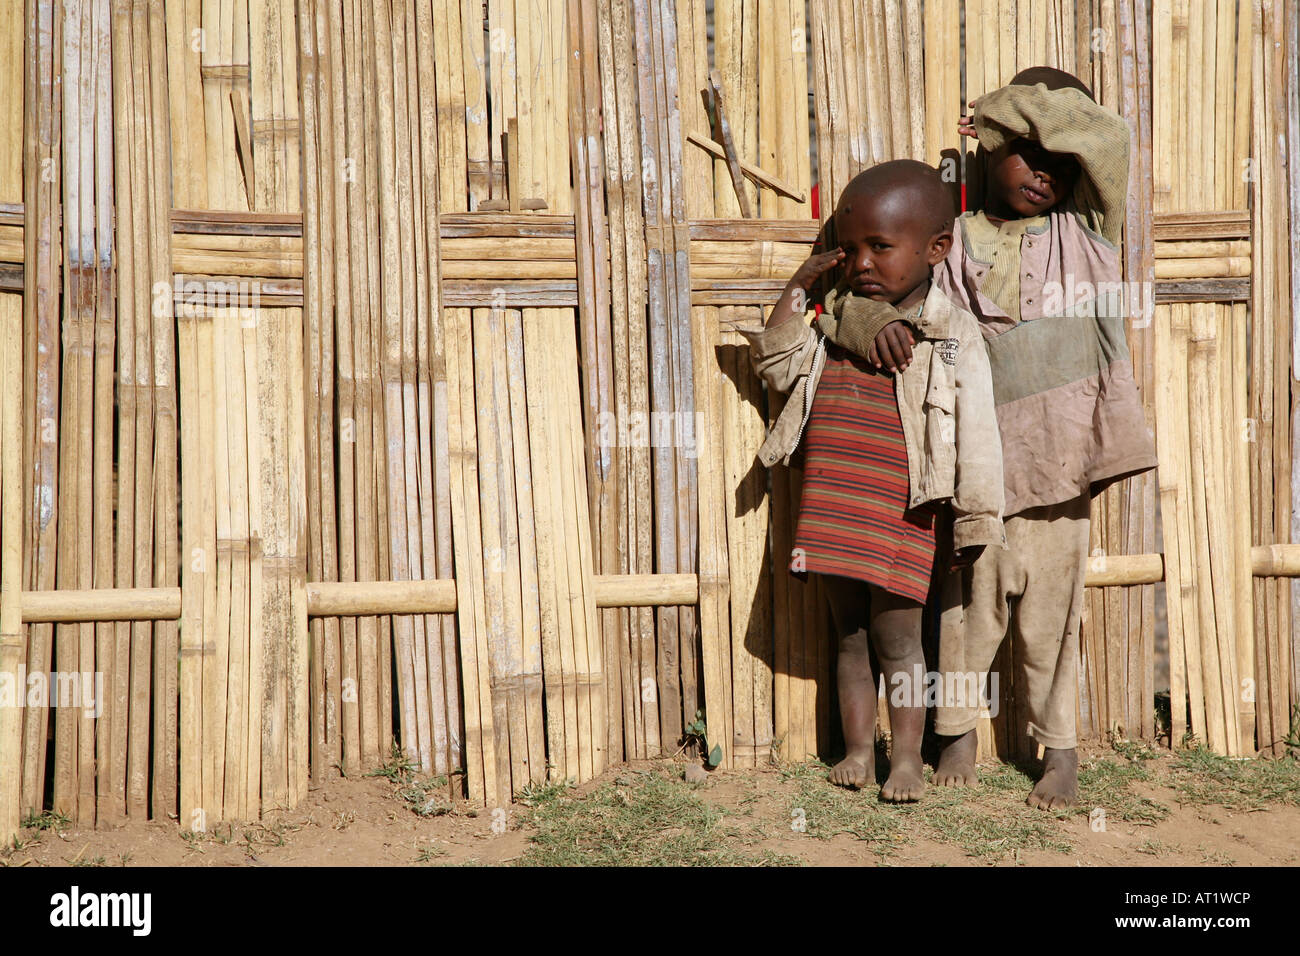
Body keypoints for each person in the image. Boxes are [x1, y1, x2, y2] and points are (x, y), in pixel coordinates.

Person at [906, 67, 1158, 809]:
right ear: (986, 151)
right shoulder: (951, 240)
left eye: (1057, 160)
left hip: (1061, 461)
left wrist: (995, 111)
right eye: (1024, 152)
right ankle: (956, 732)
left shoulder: (1086, 230)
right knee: (965, 612)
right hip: (979, 467)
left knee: (1052, 620)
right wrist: (994, 127)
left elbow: (1108, 138)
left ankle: (1061, 751)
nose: (1044, 174)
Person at [737, 160, 1004, 802]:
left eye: (880, 248)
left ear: (936, 248)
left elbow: (979, 435)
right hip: (832, 507)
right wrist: (799, 289)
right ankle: (861, 750)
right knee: (850, 638)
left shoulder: (950, 334)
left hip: (902, 515)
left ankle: (907, 758)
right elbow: (773, 364)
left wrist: (976, 518)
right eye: (851, 249)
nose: (861, 263)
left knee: (900, 642)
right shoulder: (831, 326)